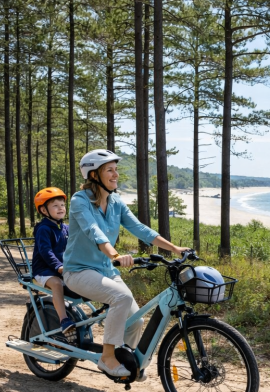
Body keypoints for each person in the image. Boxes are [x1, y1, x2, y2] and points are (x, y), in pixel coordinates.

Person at [63, 149, 190, 379]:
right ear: (94, 175)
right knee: (121, 297)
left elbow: (140, 228)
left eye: (116, 169)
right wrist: (114, 255)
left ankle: (126, 360)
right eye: (109, 170)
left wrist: (174, 248)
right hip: (79, 271)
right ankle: (107, 358)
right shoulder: (79, 200)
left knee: (136, 320)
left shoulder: (116, 202)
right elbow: (93, 230)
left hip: (105, 270)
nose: (116, 174)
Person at [31, 187, 75, 339]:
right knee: (57, 284)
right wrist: (58, 266)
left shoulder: (65, 228)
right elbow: (46, 251)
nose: (60, 208)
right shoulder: (43, 229)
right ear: (44, 210)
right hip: (44, 270)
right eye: (55, 206)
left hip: (61, 268)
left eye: (62, 205)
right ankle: (64, 320)